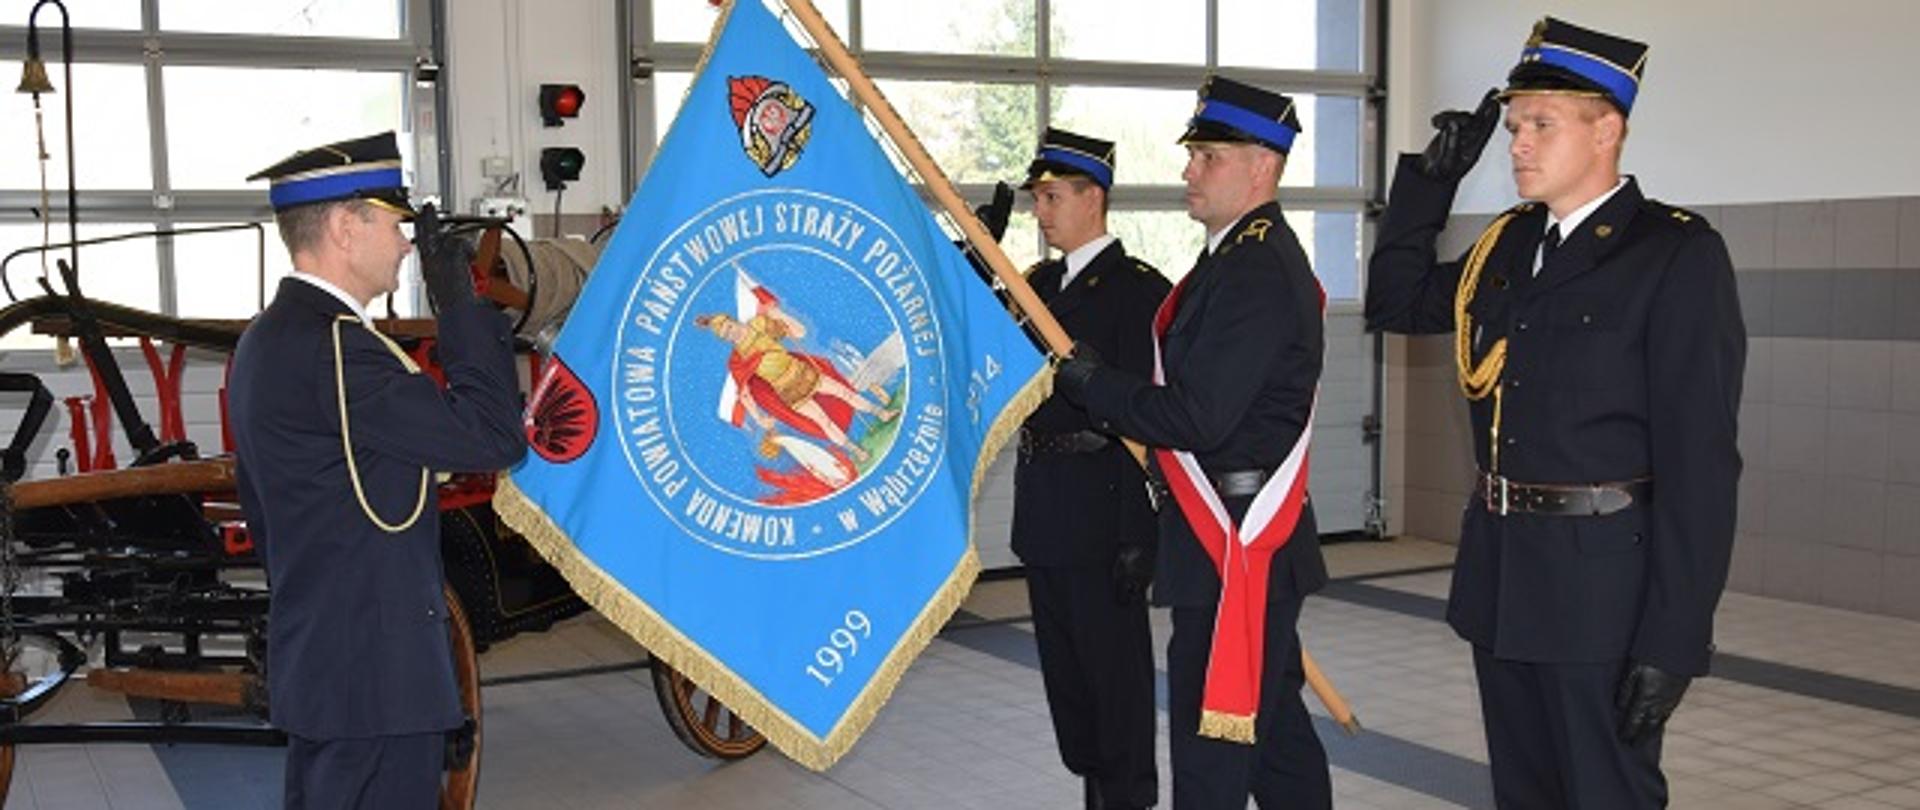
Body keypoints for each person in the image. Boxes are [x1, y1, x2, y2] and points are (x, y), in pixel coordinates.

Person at [1363, 17, 1744, 809]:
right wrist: (1428, 187)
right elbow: (1395, 301)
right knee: (1525, 794)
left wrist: (1674, 639)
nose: (1518, 145)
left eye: (1541, 124)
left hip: (1604, 593)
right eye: (1512, 128)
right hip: (1505, 577)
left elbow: (1700, 465)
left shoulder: (1673, 253)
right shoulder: (1507, 245)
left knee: (1606, 795)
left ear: (1608, 131)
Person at [1054, 77, 1332, 810]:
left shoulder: (1256, 271)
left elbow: (1197, 416)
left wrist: (1093, 384)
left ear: (1260, 167)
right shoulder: (1232, 259)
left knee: (1214, 749)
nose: (1188, 171)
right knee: (1272, 742)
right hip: (1224, 537)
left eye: (1207, 156)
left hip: (1238, 543)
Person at [230, 132, 527, 809]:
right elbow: (492, 437)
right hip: (375, 680)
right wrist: (461, 307)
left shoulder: (267, 339)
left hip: (327, 665)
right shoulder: (338, 352)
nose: (405, 244)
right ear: (343, 226)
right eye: (395, 222)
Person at [1009, 128, 1169, 810]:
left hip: (1106, 522)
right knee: (1072, 694)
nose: (1039, 213)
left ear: (1092, 197)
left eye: (1050, 197)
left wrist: (1143, 533)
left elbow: (1153, 421)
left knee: (1117, 696)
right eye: (1036, 199)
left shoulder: (1140, 293)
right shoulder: (1034, 285)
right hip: (1046, 512)